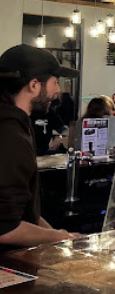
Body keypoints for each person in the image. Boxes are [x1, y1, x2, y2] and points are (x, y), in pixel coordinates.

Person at [0, 44, 80, 250]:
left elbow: (25, 213)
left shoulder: (15, 123)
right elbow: (5, 228)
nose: (58, 90)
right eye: (55, 82)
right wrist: (60, 239)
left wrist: (60, 236)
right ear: (34, 85)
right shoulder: (9, 134)